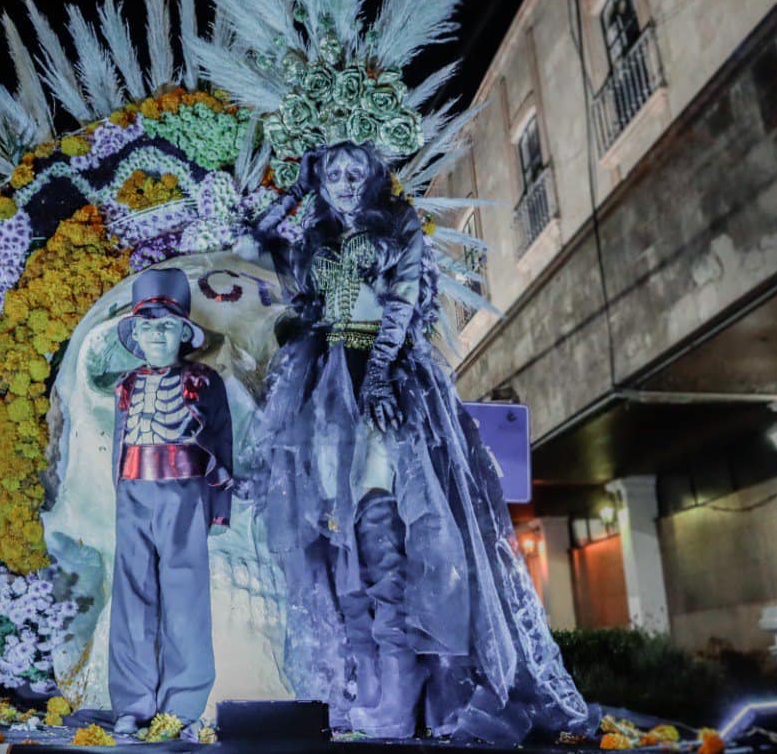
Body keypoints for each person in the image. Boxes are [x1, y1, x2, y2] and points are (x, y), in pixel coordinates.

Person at [242, 142, 597, 742]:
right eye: (335, 173)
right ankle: (373, 688)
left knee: (382, 536)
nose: (347, 183)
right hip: (324, 390)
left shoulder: (398, 226)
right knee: (340, 542)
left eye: (359, 172)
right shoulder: (313, 236)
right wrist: (302, 188)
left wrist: (379, 374)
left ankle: (401, 689)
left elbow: (403, 302)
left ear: (376, 177)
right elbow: (256, 236)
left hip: (384, 385)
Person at [91, 267, 234, 741]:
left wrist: (220, 505)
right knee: (131, 598)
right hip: (133, 489)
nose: (157, 334)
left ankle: (184, 704)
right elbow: (118, 442)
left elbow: (223, 442)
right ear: (136, 333)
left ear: (183, 332)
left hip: (186, 490)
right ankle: (131, 702)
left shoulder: (206, 381)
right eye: (147, 326)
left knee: (185, 596)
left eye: (166, 325)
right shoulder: (126, 385)